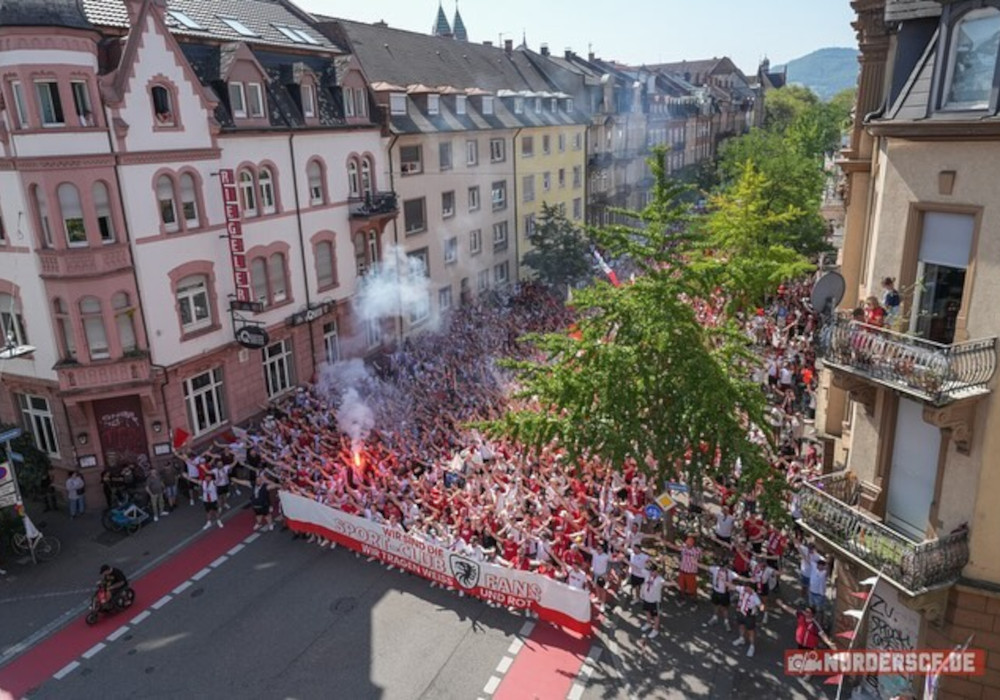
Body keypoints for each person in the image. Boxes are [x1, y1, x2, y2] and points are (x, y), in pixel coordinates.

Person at [731, 582, 764, 657]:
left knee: (750, 631)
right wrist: (725, 582)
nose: (746, 589)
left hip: (749, 615)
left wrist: (761, 608)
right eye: (746, 587)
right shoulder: (742, 590)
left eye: (748, 587)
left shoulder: (754, 597)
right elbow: (734, 586)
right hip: (740, 612)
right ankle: (741, 638)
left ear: (752, 589)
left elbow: (760, 605)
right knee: (741, 626)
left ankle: (752, 646)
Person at [639, 563, 666, 640]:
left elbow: (665, 583)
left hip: (655, 601)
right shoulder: (647, 575)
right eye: (651, 571)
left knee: (656, 616)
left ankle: (655, 630)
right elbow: (637, 568)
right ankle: (648, 623)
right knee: (647, 611)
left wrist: (673, 584)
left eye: (653, 571)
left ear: (657, 571)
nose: (651, 573)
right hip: (647, 599)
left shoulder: (659, 579)